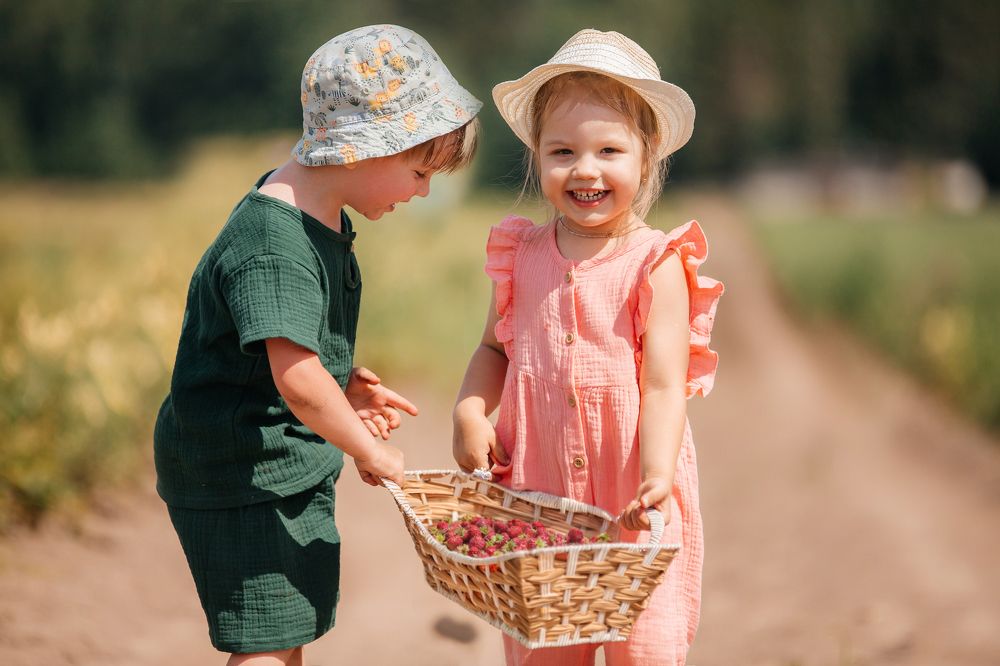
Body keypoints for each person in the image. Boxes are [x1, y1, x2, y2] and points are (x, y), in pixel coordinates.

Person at [154, 25, 481, 666]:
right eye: (418, 171)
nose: (422, 192)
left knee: (283, 633)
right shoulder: (276, 243)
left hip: (270, 458)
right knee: (266, 645)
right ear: (362, 149)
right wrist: (372, 451)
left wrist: (343, 380)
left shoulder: (315, 212)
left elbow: (285, 354)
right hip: (242, 472)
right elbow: (298, 382)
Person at [451, 29, 723, 666]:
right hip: (540, 505)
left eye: (608, 150)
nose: (585, 169)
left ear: (645, 155)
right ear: (537, 157)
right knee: (545, 651)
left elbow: (662, 384)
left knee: (644, 650)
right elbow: (494, 350)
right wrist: (469, 410)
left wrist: (656, 473)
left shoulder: (654, 262)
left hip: (633, 497)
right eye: (563, 151)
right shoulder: (521, 255)